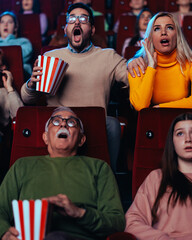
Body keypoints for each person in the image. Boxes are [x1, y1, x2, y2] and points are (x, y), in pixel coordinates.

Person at [0, 106, 125, 240]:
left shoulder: (99, 168)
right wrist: (5, 233)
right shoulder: (22, 165)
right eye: (56, 121)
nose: (63, 125)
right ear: (45, 137)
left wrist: (79, 213)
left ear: (81, 140)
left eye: (71, 123)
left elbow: (117, 222)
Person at [21, 3, 128, 173]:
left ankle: (110, 176)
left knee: (113, 124)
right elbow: (27, 99)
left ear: (92, 30)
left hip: (95, 123)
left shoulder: (108, 56)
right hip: (58, 123)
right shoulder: (50, 57)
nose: (77, 22)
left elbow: (132, 79)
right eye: (72, 19)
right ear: (66, 29)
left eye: (83, 19)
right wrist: (31, 84)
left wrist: (137, 60)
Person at [128, 12, 192, 111]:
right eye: (157, 28)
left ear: (177, 35)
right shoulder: (137, 65)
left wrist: (161, 108)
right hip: (151, 123)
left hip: (183, 122)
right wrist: (151, 67)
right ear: (150, 38)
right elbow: (140, 105)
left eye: (169, 27)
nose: (163, 32)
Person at [0, 11, 33, 76]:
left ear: (15, 27)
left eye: (10, 22)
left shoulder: (23, 42)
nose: (5, 25)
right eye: (2, 22)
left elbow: (21, 58)